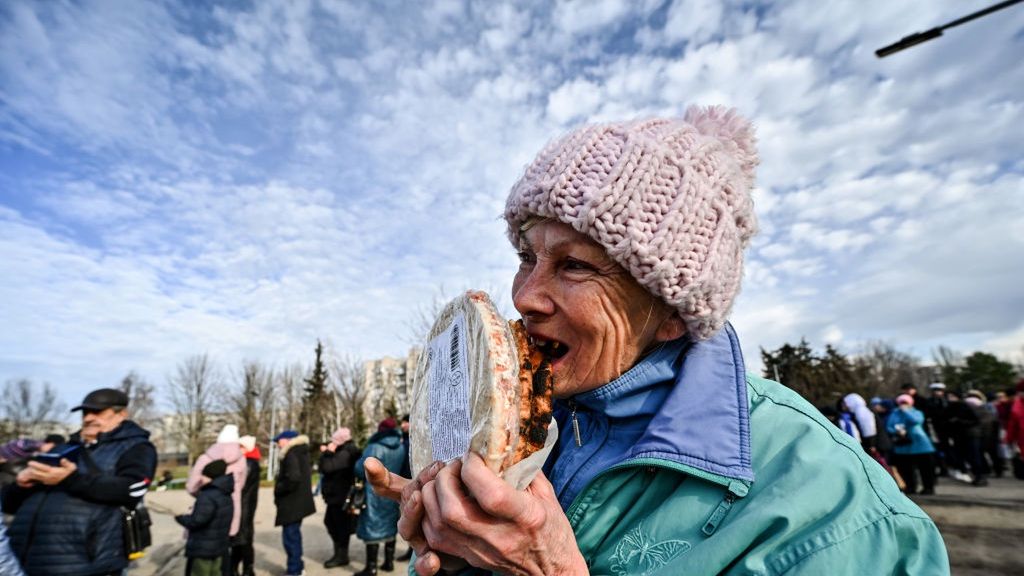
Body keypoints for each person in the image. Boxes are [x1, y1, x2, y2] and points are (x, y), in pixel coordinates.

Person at [364, 107, 949, 575]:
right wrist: (461, 550)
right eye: (526, 257)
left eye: (575, 265)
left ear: (671, 310)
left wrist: (553, 570)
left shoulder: (833, 507)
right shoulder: (529, 425)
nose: (525, 296)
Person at [2, 387, 157, 576]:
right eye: (85, 412)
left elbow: (133, 490)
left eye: (97, 412)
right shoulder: (62, 449)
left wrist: (71, 479)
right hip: (26, 561)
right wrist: (20, 485)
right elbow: (9, 505)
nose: (88, 418)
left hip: (86, 564)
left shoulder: (137, 447)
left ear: (121, 414)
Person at [187, 424, 248, 575]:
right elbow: (241, 485)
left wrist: (203, 496)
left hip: (206, 510)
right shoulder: (241, 460)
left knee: (201, 556)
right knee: (223, 555)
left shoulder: (205, 458)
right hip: (230, 510)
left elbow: (191, 486)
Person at [354, 418, 406, 576]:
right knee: (390, 524)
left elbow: (360, 469)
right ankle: (389, 562)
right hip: (393, 491)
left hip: (374, 494)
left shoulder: (374, 447)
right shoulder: (401, 447)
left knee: (373, 526)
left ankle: (371, 567)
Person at [176, 459, 234, 576]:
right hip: (219, 546)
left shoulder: (207, 496)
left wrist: (180, 517)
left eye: (204, 475)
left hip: (203, 548)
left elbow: (197, 521)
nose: (201, 478)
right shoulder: (226, 493)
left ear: (211, 477)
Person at [273, 429, 316, 576]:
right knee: (293, 535)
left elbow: (294, 477)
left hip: (291, 502)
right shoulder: (300, 452)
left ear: (287, 440)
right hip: (298, 501)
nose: (278, 444)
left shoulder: (291, 453)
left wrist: (279, 488)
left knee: (290, 537)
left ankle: (294, 569)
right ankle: (297, 566)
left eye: (279, 441)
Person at [319, 426, 362, 568]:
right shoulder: (344, 451)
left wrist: (327, 453)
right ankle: (339, 553)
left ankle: (341, 555)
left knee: (339, 526)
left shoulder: (345, 453)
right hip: (336, 495)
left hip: (340, 496)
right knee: (332, 523)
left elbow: (327, 468)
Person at [887, 394, 938, 496]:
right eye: (901, 402)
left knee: (925, 468)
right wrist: (896, 431)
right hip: (903, 445)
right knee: (905, 469)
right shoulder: (894, 413)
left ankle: (928, 488)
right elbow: (889, 426)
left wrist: (906, 412)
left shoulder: (917, 412)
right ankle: (910, 487)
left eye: (905, 402)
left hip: (921, 445)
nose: (903, 405)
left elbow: (916, 421)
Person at [230, 435, 261, 576]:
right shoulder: (249, 462)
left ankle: (245, 569)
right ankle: (239, 567)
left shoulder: (248, 463)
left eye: (240, 446)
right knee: (242, 537)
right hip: (245, 504)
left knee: (243, 537)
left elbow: (240, 484)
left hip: (244, 505)